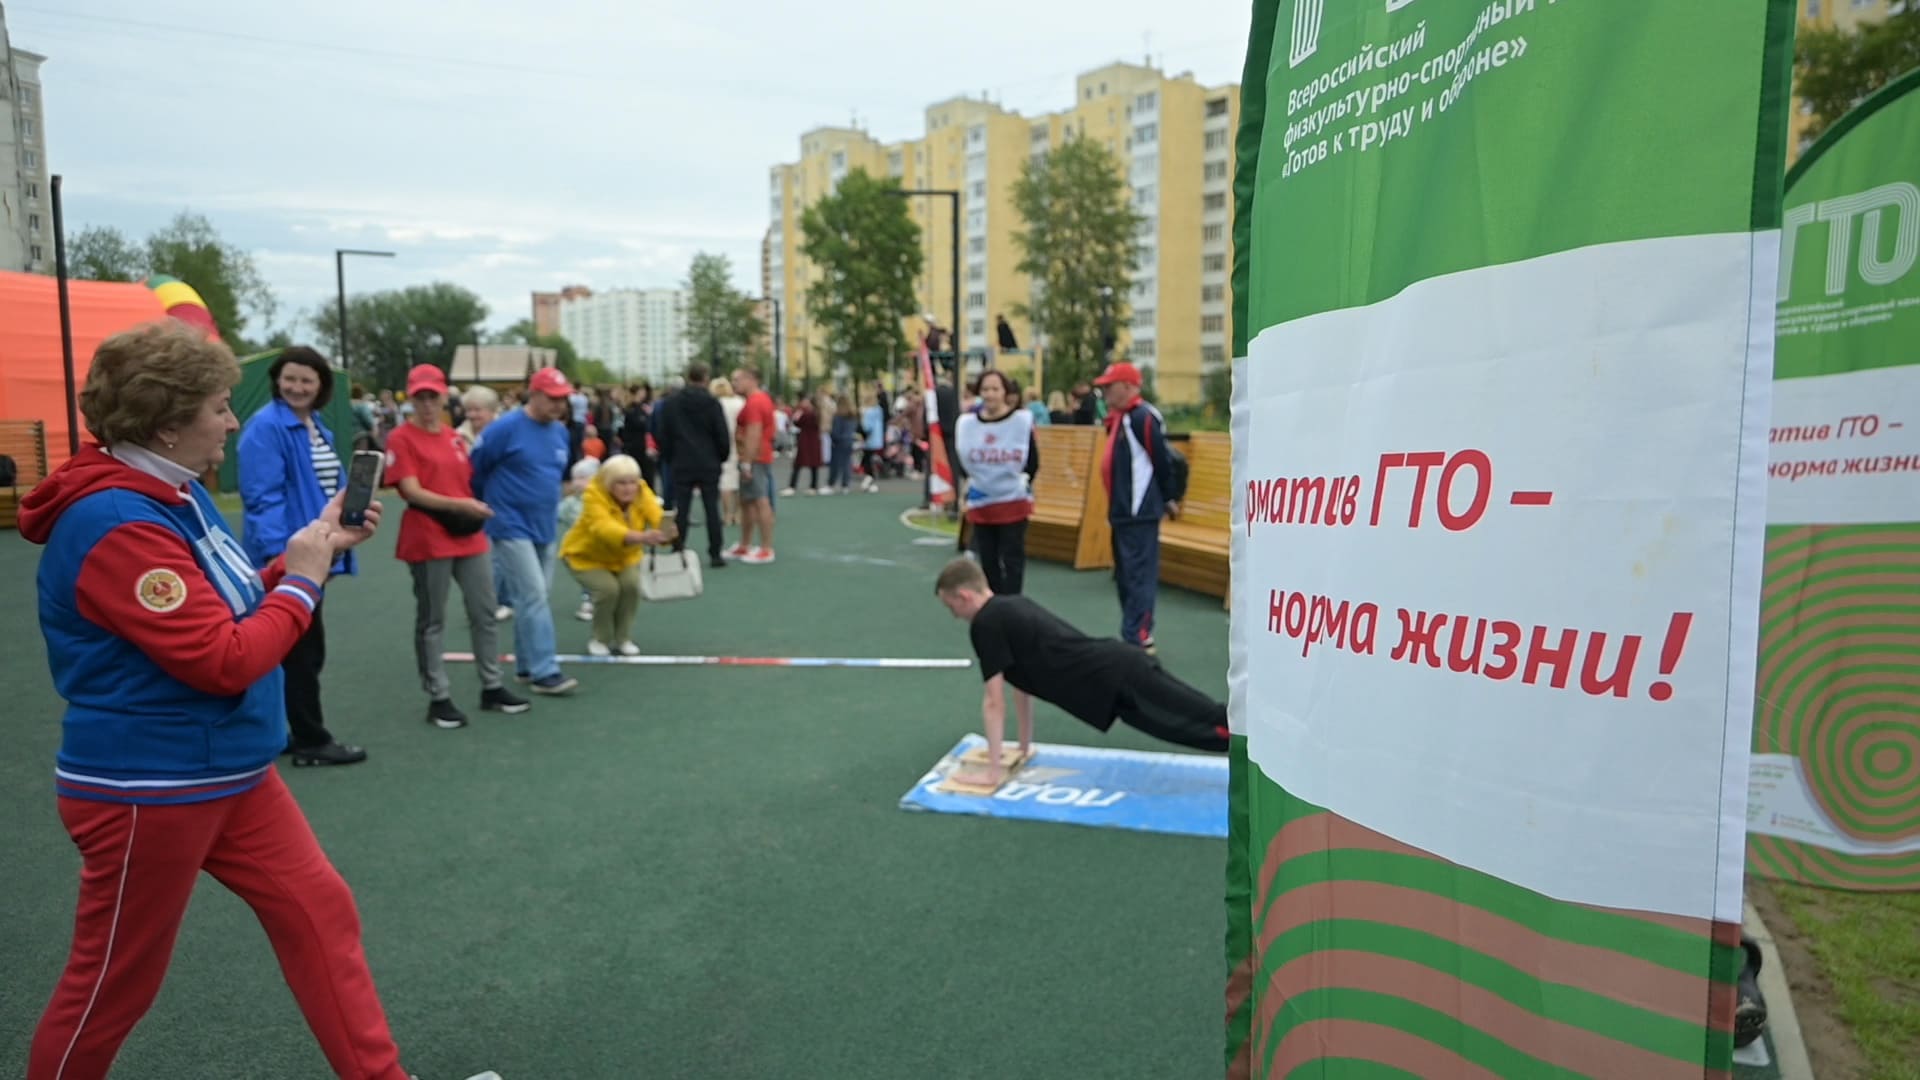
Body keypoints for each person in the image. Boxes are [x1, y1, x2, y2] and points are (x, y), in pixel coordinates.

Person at [18, 322, 502, 1080]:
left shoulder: (172, 493)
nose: (234, 420)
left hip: (227, 769)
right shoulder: (116, 520)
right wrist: (306, 579)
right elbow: (224, 658)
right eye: (219, 405)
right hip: (152, 785)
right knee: (113, 986)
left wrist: (309, 549)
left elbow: (235, 603)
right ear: (169, 421)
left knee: (321, 914)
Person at [933, 558, 1227, 787]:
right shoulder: (1009, 606)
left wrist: (992, 774)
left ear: (964, 596)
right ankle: (1259, 746)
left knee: (1204, 721)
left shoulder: (986, 624)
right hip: (1117, 675)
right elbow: (1020, 685)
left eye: (951, 608)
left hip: (1119, 677)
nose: (955, 616)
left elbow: (994, 703)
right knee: (1194, 724)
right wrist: (1022, 747)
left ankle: (1264, 742)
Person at [237, 345, 367, 768]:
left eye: (306, 380)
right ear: (276, 380)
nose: (296, 387)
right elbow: (262, 499)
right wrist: (286, 560)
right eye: (289, 378)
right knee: (302, 651)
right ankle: (311, 738)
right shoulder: (267, 428)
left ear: (321, 386)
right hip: (292, 556)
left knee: (300, 649)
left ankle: (288, 731)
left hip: (313, 551)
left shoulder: (314, 426)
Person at [385, 364, 530, 729]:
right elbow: (410, 490)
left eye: (433, 396)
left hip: (466, 532)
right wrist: (461, 506)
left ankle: (492, 685)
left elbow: (469, 481)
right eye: (420, 396)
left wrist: (475, 503)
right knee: (433, 618)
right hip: (428, 533)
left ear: (444, 397)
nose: (427, 403)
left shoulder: (453, 437)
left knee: (484, 611)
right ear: (411, 398)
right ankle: (439, 695)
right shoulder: (401, 438)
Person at [470, 366, 578, 695]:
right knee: (533, 594)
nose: (559, 405)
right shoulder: (505, 428)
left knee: (532, 597)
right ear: (535, 394)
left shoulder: (559, 432)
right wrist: (486, 508)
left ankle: (526, 665)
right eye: (553, 398)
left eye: (563, 399)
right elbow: (476, 469)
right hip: (509, 523)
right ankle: (546, 670)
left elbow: (560, 477)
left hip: (544, 524)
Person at [1094, 362, 1178, 651]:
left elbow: (1161, 460)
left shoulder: (1143, 417)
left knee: (1139, 573)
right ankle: (1131, 631)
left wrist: (1168, 498)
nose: (1105, 393)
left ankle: (1139, 635)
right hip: (1121, 510)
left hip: (1139, 509)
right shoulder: (1120, 419)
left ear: (1128, 387)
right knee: (1126, 574)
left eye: (1110, 386)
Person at [560, 454, 671, 656]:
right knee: (607, 590)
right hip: (584, 556)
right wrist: (642, 536)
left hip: (624, 556)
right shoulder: (593, 494)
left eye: (632, 482)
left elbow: (655, 513)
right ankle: (600, 638)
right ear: (609, 483)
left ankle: (623, 638)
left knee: (631, 587)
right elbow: (603, 528)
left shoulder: (641, 490)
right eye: (621, 483)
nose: (629, 488)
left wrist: (666, 532)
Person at [954, 369, 1039, 596]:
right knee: (988, 558)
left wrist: (1021, 482)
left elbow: (1032, 461)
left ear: (1005, 392)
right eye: (985, 389)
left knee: (1012, 557)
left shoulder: (1020, 422)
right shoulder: (967, 424)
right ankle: (995, 605)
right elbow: (962, 461)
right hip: (983, 500)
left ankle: (1013, 605)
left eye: (995, 389)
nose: (990, 394)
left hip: (1012, 499)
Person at [654, 362, 732, 568]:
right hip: (708, 461)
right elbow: (722, 435)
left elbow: (663, 434)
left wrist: (669, 456)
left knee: (683, 507)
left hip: (682, 460)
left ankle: (678, 546)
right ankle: (715, 552)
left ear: (689, 377)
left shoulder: (671, 403)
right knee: (711, 508)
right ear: (705, 378)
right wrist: (721, 457)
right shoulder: (713, 403)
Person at [728, 366, 778, 564]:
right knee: (747, 501)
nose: (734, 384)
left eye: (737, 379)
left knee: (759, 500)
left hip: (755, 458)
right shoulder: (755, 401)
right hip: (752, 457)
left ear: (750, 379)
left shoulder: (756, 402)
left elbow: (754, 434)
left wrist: (747, 463)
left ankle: (766, 548)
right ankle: (745, 544)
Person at [713, 375, 746, 530]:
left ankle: (726, 514)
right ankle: (738, 513)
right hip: (739, 444)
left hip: (721, 445)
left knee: (725, 482)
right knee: (738, 481)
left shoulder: (715, 404)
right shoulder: (740, 402)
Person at [784, 391, 823, 495]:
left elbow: (797, 422)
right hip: (813, 440)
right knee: (810, 464)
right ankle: (813, 486)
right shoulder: (816, 412)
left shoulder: (807, 413)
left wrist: (799, 412)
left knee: (800, 464)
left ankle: (793, 486)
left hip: (806, 440)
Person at [828, 393, 858, 494]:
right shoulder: (853, 415)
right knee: (847, 463)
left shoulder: (838, 416)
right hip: (849, 441)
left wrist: (833, 438)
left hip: (839, 442)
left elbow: (835, 432)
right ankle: (845, 485)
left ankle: (831, 484)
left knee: (835, 464)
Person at [454, 384, 500, 449]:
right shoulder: (457, 435)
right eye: (468, 410)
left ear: (492, 411)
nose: (471, 415)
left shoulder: (503, 433)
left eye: (477, 409)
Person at [859, 389, 886, 492]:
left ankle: (869, 479)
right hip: (877, 438)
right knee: (871, 460)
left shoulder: (868, 411)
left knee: (867, 461)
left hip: (869, 439)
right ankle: (871, 481)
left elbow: (867, 427)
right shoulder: (878, 410)